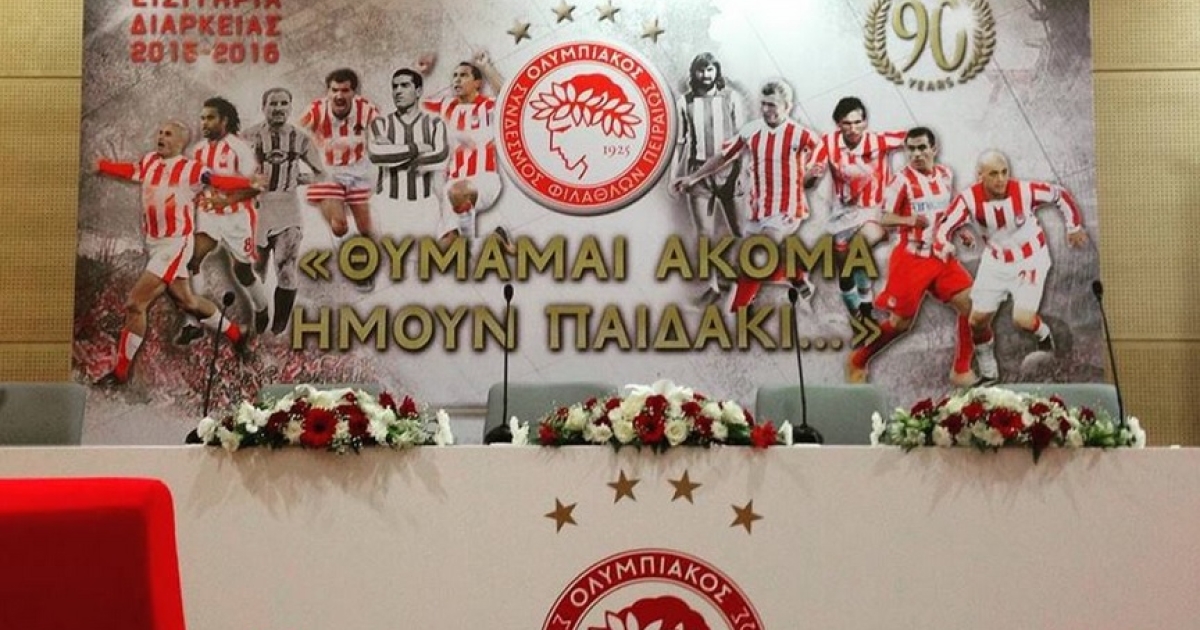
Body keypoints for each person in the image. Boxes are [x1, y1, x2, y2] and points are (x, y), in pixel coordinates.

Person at [94, 120, 256, 385]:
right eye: (160, 132)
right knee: (187, 302)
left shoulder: (190, 169)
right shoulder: (150, 161)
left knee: (136, 303)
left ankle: (120, 373)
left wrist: (247, 182)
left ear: (181, 141)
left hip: (175, 244)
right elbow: (132, 170)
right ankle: (237, 334)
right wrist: (103, 166)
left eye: (168, 134)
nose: (161, 137)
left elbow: (217, 180)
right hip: (155, 244)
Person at [933, 149, 1089, 382]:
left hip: (1031, 259)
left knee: (1022, 319)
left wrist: (1073, 226)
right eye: (993, 174)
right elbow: (944, 226)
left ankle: (1044, 335)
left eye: (1004, 172)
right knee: (976, 321)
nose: (1001, 179)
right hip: (995, 262)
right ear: (980, 176)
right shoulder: (969, 199)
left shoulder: (1025, 191)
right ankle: (989, 372)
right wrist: (943, 243)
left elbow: (1060, 195)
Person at [845, 127, 978, 386]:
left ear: (933, 149)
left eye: (921, 148)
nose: (916, 154)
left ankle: (961, 370)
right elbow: (884, 217)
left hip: (941, 258)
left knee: (974, 307)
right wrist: (909, 220)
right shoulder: (902, 181)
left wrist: (961, 231)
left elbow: (948, 210)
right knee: (900, 324)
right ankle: (858, 360)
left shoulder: (945, 174)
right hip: (912, 259)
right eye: (911, 149)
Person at [671, 79, 818, 311]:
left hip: (787, 209)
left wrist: (811, 174)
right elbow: (723, 156)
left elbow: (821, 155)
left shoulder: (800, 135)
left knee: (756, 258)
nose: (766, 110)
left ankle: (738, 312)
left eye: (772, 105)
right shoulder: (752, 130)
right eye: (764, 104)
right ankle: (795, 274)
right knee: (742, 261)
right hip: (760, 209)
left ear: (787, 106)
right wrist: (693, 177)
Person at [176, 96, 268, 343]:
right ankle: (193, 321)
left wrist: (226, 201)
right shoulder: (198, 151)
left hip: (237, 219)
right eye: (202, 118)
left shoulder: (240, 149)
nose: (204, 123)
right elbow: (193, 183)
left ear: (224, 120)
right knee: (191, 260)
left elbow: (256, 187)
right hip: (208, 217)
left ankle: (261, 307)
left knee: (242, 271)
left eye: (210, 118)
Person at [807, 97, 906, 320]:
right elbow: (808, 179)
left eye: (858, 122)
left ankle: (867, 307)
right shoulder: (828, 143)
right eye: (847, 123)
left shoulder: (879, 141)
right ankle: (856, 307)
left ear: (865, 122)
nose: (853, 129)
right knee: (846, 270)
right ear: (838, 124)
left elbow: (914, 139)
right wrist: (811, 176)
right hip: (844, 215)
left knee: (859, 249)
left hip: (876, 212)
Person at [243, 87, 325, 335]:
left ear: (290, 107)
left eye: (283, 104)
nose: (278, 108)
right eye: (273, 104)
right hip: (257, 207)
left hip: (287, 207)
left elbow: (322, 174)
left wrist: (300, 179)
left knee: (286, 266)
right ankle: (259, 313)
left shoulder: (300, 139)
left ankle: (279, 326)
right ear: (263, 107)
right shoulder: (248, 136)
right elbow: (230, 170)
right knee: (255, 269)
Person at [671, 52, 747, 306]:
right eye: (701, 70)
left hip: (729, 169)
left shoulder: (731, 97)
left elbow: (742, 138)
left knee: (740, 230)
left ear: (717, 71)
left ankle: (738, 281)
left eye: (710, 69)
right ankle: (712, 286)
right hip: (697, 173)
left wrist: (741, 169)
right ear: (694, 73)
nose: (706, 75)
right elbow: (680, 142)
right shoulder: (685, 102)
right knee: (704, 233)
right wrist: (674, 176)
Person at [419, 53, 513, 251]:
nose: (457, 80)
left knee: (459, 191)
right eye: (454, 76)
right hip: (453, 185)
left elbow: (510, 97)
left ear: (477, 83)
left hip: (484, 179)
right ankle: (495, 239)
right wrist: (418, 72)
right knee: (447, 245)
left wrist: (486, 67)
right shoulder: (446, 106)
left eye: (463, 75)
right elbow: (413, 104)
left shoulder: (488, 106)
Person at [299, 68, 381, 289]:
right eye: (334, 90)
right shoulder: (315, 111)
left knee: (366, 228)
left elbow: (385, 134)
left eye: (345, 90)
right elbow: (295, 133)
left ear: (354, 92)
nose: (339, 96)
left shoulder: (366, 109)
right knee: (340, 227)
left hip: (358, 170)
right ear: (327, 92)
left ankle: (367, 263)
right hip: (328, 173)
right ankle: (351, 262)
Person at [368, 67, 448, 236]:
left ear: (418, 91)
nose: (398, 91)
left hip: (424, 205)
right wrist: (417, 148)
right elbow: (376, 155)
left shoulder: (435, 124)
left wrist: (393, 152)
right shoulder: (381, 124)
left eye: (404, 85)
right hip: (387, 204)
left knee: (424, 252)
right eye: (394, 86)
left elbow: (441, 156)